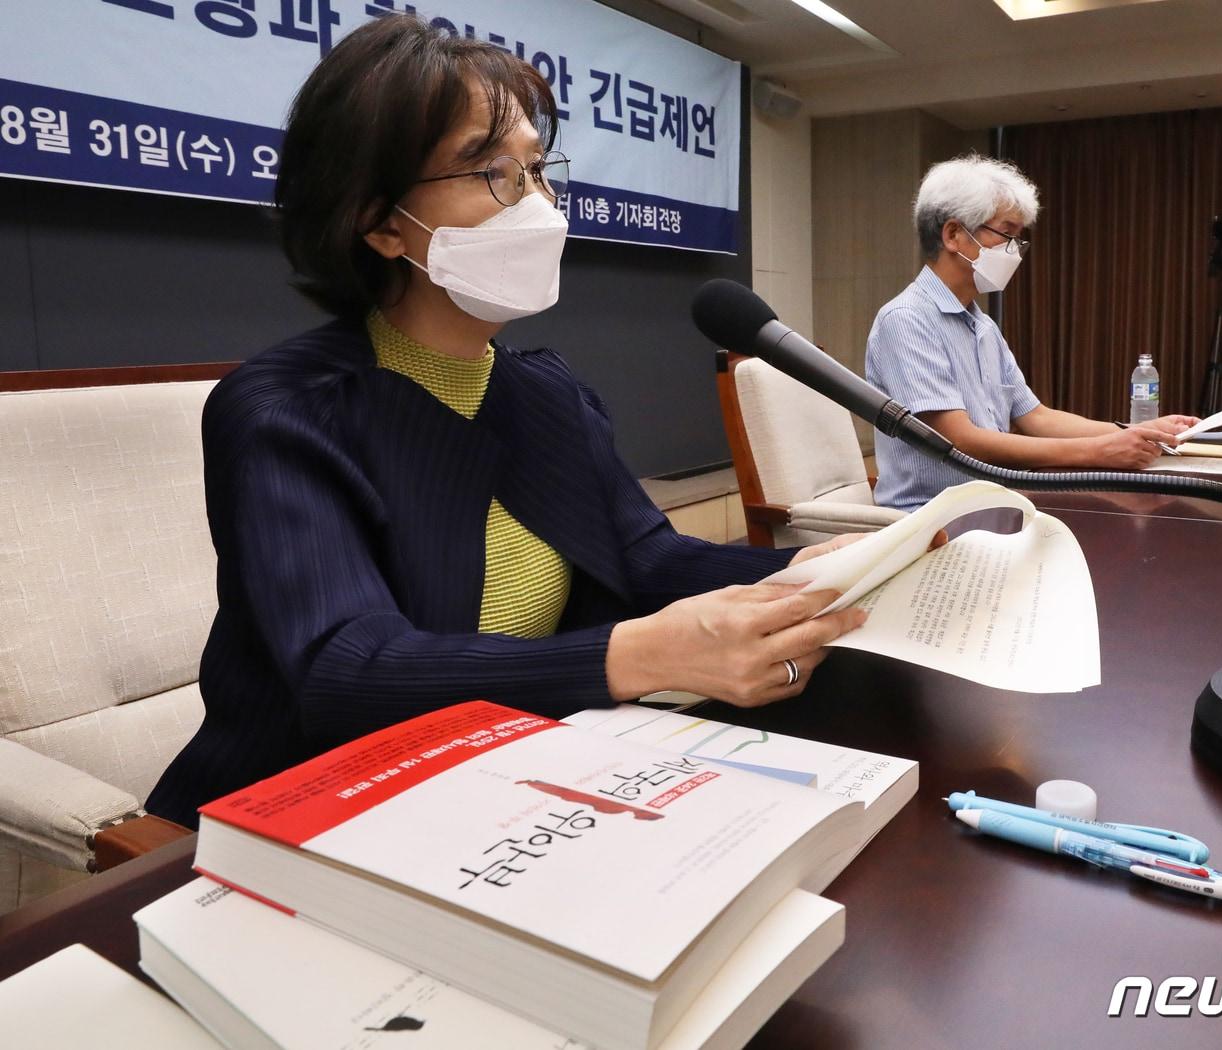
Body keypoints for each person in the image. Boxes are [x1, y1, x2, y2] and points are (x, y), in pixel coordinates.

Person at [145, 16, 869, 829]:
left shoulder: (547, 392)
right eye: (493, 172)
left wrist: (807, 573)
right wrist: (637, 654)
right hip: (301, 811)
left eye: (537, 169)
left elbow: (648, 559)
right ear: (381, 222)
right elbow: (347, 670)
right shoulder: (288, 411)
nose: (539, 205)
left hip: (506, 775)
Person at [865, 154, 1198, 512]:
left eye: (1018, 239)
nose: (1014, 251)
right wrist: (1099, 451)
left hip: (992, 506)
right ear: (953, 235)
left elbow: (1037, 417)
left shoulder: (983, 326)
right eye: (1006, 234)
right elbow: (959, 440)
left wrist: (1137, 432)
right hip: (931, 516)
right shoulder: (906, 319)